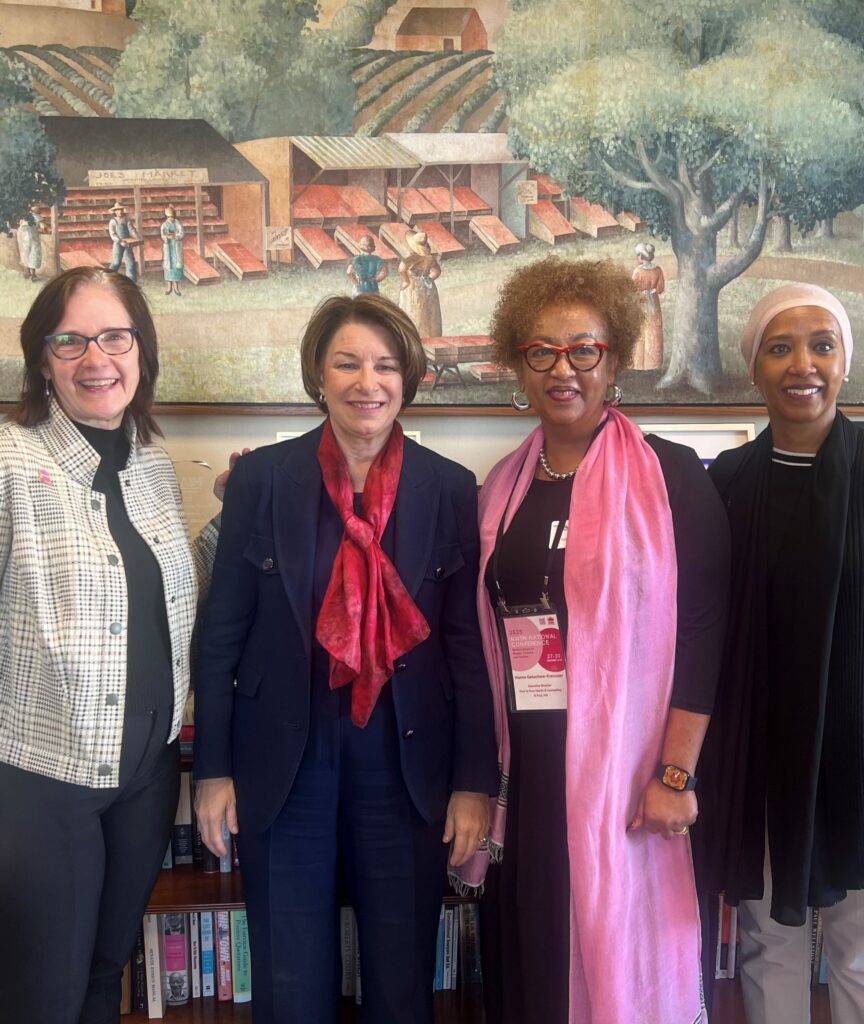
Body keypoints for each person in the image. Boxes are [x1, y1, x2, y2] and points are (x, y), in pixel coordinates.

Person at [193, 292, 498, 1024]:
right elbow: (222, 634)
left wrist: (473, 782)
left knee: (401, 982)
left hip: (406, 757)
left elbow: (467, 647)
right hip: (285, 758)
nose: (369, 382)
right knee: (291, 981)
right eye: (348, 363)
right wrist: (212, 770)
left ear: (409, 377)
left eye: (387, 365)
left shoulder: (450, 488)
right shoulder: (262, 481)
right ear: (318, 375)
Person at [452, 256, 730, 1024]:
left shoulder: (671, 479)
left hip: (631, 773)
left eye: (584, 349)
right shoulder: (500, 487)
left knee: (613, 958)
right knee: (533, 960)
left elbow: (704, 634)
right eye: (541, 350)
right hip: (528, 769)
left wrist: (674, 776)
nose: (562, 368)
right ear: (518, 361)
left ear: (615, 361)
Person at [0, 267, 235, 1024]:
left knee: (108, 973)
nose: (94, 358)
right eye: (69, 340)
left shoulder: (152, 463)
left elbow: (163, 593)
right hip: (42, 782)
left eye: (114, 337)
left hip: (146, 775)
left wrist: (239, 515)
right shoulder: (9, 462)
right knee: (44, 994)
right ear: (42, 358)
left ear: (141, 352)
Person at [696, 283, 864, 1024]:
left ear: (845, 364)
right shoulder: (725, 484)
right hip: (765, 751)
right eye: (781, 347)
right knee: (771, 935)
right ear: (755, 369)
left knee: (861, 942)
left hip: (860, 752)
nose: (804, 364)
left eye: (822, 345)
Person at [397, 229, 442, 338]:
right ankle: (430, 336)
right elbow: (437, 271)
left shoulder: (409, 259)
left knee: (413, 309)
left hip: (412, 286)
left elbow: (401, 270)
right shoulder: (430, 258)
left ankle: (413, 336)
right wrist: (427, 279)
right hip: (428, 287)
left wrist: (407, 281)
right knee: (429, 311)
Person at [631, 241, 665, 369]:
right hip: (654, 302)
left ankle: (639, 363)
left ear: (641, 256)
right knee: (654, 330)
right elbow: (660, 289)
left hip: (641, 302)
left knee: (641, 330)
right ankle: (654, 363)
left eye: (638, 255)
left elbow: (632, 288)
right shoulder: (658, 270)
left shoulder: (637, 271)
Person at [108, 200, 139, 284]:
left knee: (130, 261)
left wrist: (137, 237)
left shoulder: (127, 220)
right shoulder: (113, 221)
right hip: (118, 244)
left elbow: (131, 230)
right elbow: (112, 234)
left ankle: (132, 281)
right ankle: (108, 278)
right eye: (118, 210)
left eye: (121, 209)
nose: (120, 211)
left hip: (127, 243)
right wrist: (119, 241)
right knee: (116, 262)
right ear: (115, 211)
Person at [160, 205, 185, 296]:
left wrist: (176, 236)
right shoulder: (164, 225)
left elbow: (182, 233)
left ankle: (176, 288)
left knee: (176, 266)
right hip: (168, 247)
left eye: (173, 216)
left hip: (176, 246)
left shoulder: (177, 223)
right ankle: (169, 287)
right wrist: (167, 237)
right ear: (167, 217)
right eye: (170, 217)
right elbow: (162, 235)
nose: (171, 218)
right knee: (168, 266)